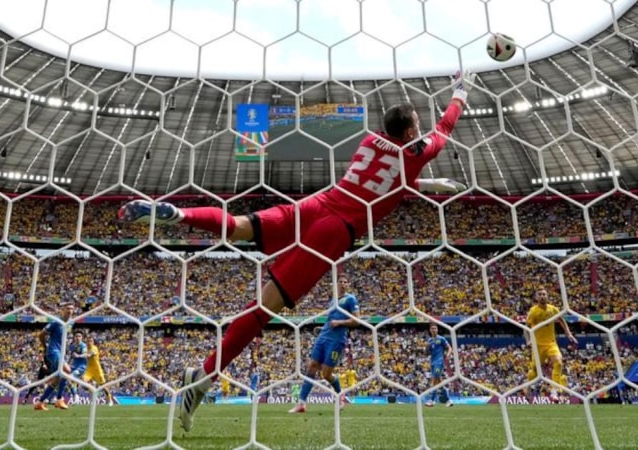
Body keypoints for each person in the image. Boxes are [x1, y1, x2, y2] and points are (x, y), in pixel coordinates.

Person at [119, 71, 475, 432]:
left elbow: (386, 179)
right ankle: (202, 378)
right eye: (417, 126)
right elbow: (444, 128)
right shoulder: (417, 150)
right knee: (262, 309)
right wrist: (460, 93)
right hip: (333, 231)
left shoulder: (369, 140)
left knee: (240, 225)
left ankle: (180, 215)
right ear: (411, 132)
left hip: (317, 204)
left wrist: (426, 182)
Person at [289, 276, 359, 413]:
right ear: (336, 284)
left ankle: (340, 396)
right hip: (323, 337)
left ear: (348, 284)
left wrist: (340, 323)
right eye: (341, 281)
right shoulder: (333, 301)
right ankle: (301, 403)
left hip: (336, 340)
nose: (343, 284)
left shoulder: (350, 299)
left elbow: (356, 320)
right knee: (312, 366)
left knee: (326, 374)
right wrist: (324, 328)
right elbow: (331, 320)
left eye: (345, 282)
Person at [525, 288, 578, 401]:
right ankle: (528, 389)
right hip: (538, 345)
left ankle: (554, 391)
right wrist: (528, 340)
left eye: (544, 294)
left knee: (558, 362)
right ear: (536, 297)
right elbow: (526, 327)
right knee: (535, 371)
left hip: (551, 343)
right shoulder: (533, 311)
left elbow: (561, 320)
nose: (542, 296)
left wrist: (568, 334)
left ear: (547, 296)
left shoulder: (553, 309)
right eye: (540, 294)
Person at [35, 302, 74, 411]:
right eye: (67, 308)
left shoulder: (71, 323)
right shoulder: (56, 322)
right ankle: (59, 399)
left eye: (72, 309)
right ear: (63, 310)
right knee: (67, 371)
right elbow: (41, 334)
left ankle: (40, 403)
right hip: (53, 352)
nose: (70, 311)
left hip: (61, 353)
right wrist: (45, 346)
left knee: (56, 380)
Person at [81, 334, 115, 406]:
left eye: (91, 341)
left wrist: (80, 355)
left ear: (93, 342)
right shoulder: (85, 348)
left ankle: (110, 399)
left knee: (103, 386)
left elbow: (89, 355)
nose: (89, 342)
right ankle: (94, 392)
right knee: (83, 381)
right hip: (89, 370)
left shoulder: (94, 348)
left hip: (97, 370)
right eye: (88, 341)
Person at [425, 323, 452, 407]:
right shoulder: (429, 340)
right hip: (432, 362)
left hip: (439, 362)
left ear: (437, 330)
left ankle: (432, 400)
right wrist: (427, 348)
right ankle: (448, 400)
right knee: (439, 382)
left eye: (435, 328)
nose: (434, 330)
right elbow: (427, 353)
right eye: (432, 328)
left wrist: (448, 355)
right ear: (430, 330)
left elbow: (449, 348)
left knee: (435, 380)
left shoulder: (441, 339)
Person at [69, 331, 88, 403]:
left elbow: (85, 354)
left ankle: (76, 394)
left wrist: (78, 355)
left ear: (82, 338)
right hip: (73, 366)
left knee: (71, 377)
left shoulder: (83, 345)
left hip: (81, 366)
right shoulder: (72, 346)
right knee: (66, 380)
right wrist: (68, 364)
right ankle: (75, 394)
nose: (78, 338)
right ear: (74, 337)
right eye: (76, 336)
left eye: (79, 336)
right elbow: (71, 356)